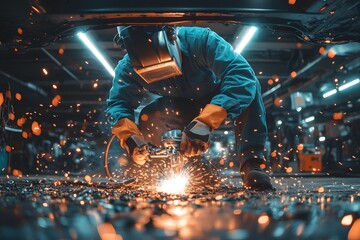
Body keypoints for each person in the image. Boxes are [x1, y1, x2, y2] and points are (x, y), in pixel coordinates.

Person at [106, 26, 273, 190]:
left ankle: (252, 164)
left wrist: (206, 121)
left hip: (219, 97)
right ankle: (193, 171)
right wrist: (130, 137)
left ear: (171, 36)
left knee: (251, 86)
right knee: (150, 116)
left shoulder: (200, 41)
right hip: (179, 106)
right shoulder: (128, 68)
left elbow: (240, 75)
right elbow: (118, 103)